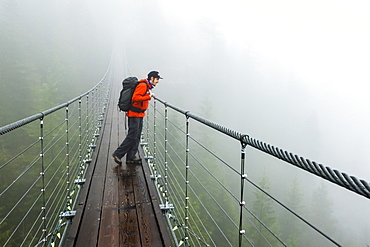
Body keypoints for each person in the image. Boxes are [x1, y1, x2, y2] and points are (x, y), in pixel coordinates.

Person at [112, 71, 162, 165]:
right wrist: (148, 96)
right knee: (132, 136)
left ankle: (131, 157)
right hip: (134, 114)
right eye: (157, 79)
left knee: (137, 136)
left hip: (139, 114)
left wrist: (148, 94)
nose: (158, 81)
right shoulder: (143, 85)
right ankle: (118, 154)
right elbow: (135, 98)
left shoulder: (147, 86)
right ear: (152, 78)